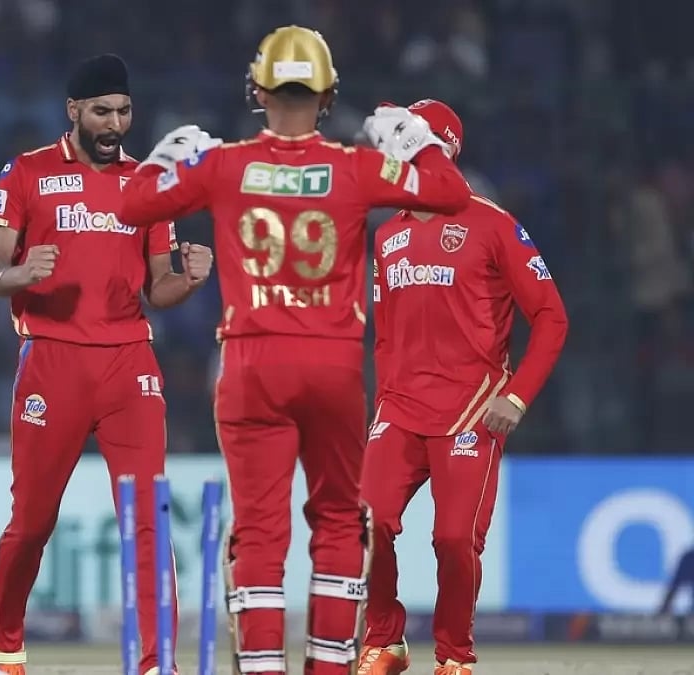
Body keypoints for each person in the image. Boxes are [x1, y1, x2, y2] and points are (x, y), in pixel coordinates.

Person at [118, 26, 473, 675]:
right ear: (328, 94)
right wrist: (416, 141)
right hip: (333, 362)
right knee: (338, 521)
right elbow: (451, 194)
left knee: (258, 531)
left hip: (251, 364)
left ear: (257, 91)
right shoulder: (356, 168)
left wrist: (164, 157)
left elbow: (132, 205)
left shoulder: (222, 164)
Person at [0, 54, 213, 675]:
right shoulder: (26, 172)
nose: (115, 123)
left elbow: (157, 287)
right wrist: (20, 274)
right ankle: (5, 644)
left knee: (146, 520)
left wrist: (186, 281)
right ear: (73, 111)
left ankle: (154, 662)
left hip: (128, 362)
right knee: (31, 522)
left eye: (124, 111)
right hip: (51, 361)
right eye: (103, 111)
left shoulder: (150, 184)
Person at [360, 100, 569, 675]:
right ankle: (386, 643)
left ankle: (454, 657)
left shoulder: (495, 225)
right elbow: (384, 337)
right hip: (400, 410)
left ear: (444, 148)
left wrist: (517, 395)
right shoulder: (387, 236)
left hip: (470, 411)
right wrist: (383, 400)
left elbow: (552, 317)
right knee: (363, 523)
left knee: (453, 540)